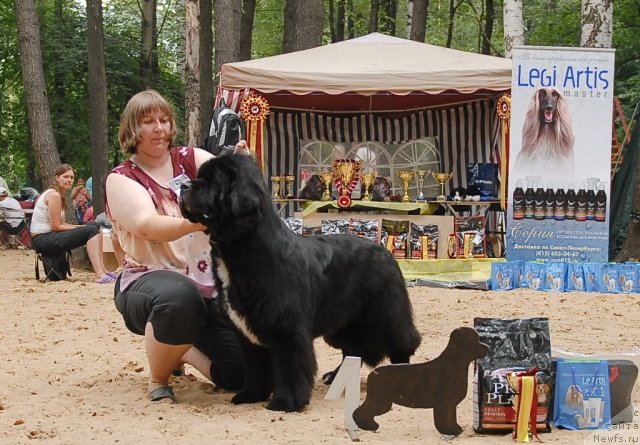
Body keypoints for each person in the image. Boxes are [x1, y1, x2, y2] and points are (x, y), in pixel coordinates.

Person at [105, 89, 249, 403]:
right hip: (147, 279)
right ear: (132, 129)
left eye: (164, 120)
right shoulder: (121, 178)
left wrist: (239, 166)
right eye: (148, 122)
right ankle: (158, 378)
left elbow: (228, 184)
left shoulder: (191, 158)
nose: (159, 128)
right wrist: (201, 222)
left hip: (208, 283)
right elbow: (148, 226)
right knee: (178, 298)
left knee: (241, 375)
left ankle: (181, 352)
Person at [29, 164, 115, 284]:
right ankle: (99, 275)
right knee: (90, 230)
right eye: (65, 176)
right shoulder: (54, 195)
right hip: (42, 239)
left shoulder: (59, 195)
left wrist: (82, 227)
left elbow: (60, 224)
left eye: (71, 177)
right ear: (57, 178)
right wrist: (81, 227)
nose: (69, 180)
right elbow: (56, 226)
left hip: (49, 236)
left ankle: (104, 270)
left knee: (94, 226)